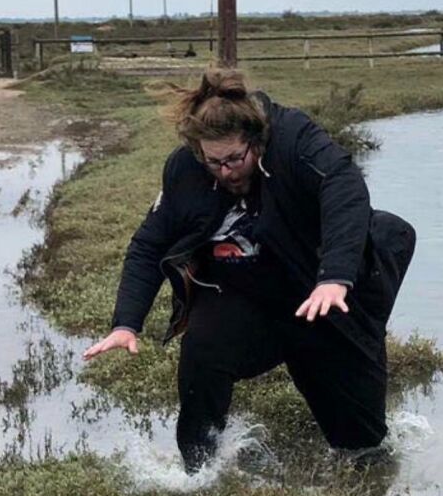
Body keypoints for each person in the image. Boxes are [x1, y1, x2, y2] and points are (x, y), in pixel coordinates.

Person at [83, 69, 415, 473]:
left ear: (255, 142)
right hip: (242, 296)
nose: (226, 172)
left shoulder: (294, 137)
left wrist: (335, 278)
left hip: (318, 296)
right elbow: (148, 244)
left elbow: (344, 188)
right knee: (202, 352)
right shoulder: (185, 171)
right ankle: (199, 471)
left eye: (235, 159)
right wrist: (126, 323)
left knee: (362, 447)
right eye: (214, 162)